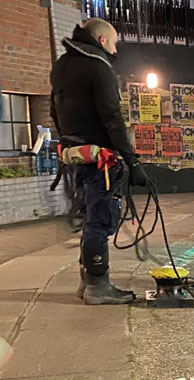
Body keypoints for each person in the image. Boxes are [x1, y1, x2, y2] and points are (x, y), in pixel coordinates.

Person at [50, 18, 149, 305]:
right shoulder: (98, 66)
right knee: (102, 219)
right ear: (102, 40)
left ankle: (88, 280)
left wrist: (68, 143)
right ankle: (98, 286)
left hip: (75, 155)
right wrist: (133, 162)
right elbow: (112, 118)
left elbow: (53, 109)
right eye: (114, 44)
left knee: (90, 218)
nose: (115, 50)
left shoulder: (62, 65)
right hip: (99, 159)